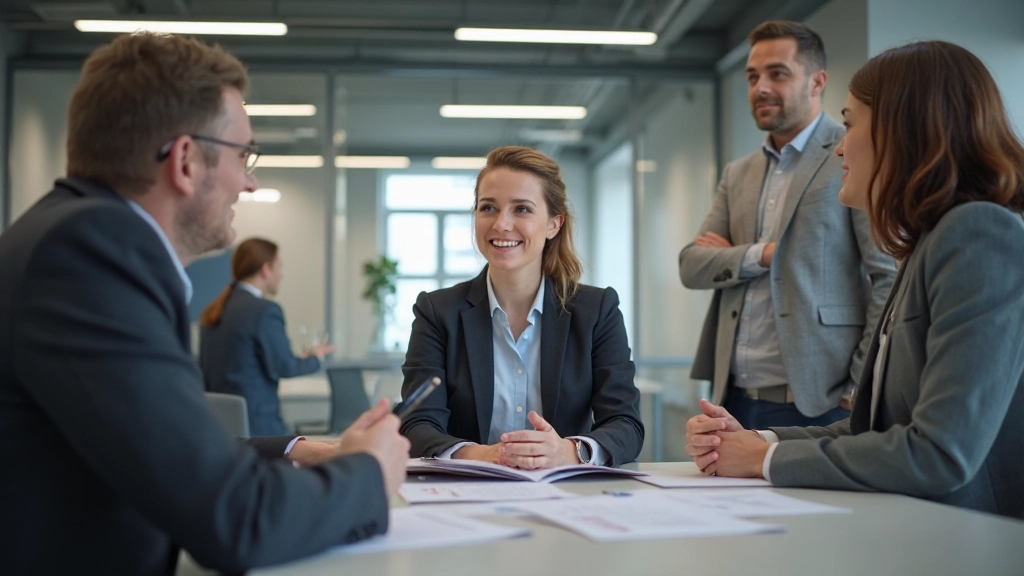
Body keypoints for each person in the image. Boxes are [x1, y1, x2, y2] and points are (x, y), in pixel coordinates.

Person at [0, 32, 410, 575]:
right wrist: (368, 474)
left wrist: (296, 449)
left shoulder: (68, 236)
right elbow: (238, 521)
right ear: (187, 161)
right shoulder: (91, 256)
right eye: (245, 155)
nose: (250, 181)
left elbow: (161, 445)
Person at [685, 41, 1024, 520]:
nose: (840, 145)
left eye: (849, 123)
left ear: (902, 131)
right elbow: (876, 433)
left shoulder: (977, 235)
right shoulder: (929, 242)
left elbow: (940, 454)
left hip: (967, 538)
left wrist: (764, 459)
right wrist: (755, 441)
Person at [678, 20, 896, 429]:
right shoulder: (738, 173)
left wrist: (857, 387)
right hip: (734, 400)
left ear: (817, 81)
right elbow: (692, 265)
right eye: (752, 76)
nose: (760, 87)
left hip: (822, 402)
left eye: (778, 74)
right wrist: (762, 253)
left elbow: (887, 277)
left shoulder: (850, 155)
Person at [400, 146, 644, 469]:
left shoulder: (598, 311)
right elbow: (416, 425)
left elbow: (626, 425)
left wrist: (569, 452)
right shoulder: (436, 313)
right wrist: (485, 456)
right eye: (488, 207)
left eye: (522, 210)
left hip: (566, 495)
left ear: (554, 224)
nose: (501, 224)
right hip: (466, 494)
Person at [199, 237, 333, 436]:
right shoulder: (265, 310)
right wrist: (317, 358)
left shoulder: (214, 310)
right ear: (265, 269)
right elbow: (284, 366)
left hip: (220, 425)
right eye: (279, 266)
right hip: (260, 427)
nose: (282, 274)